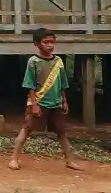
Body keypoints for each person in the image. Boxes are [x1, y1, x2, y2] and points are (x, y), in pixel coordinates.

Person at [9, 28, 83, 172]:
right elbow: (29, 85)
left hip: (56, 102)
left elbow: (62, 84)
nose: (50, 45)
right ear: (37, 44)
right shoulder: (33, 62)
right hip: (39, 102)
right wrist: (34, 104)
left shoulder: (58, 61)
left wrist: (64, 100)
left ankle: (69, 160)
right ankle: (13, 158)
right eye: (46, 42)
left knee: (61, 132)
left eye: (52, 42)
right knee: (27, 128)